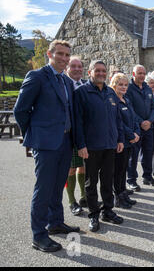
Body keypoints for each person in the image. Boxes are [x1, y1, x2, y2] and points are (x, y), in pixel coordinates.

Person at [14, 40, 79, 252]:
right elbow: (20, 110)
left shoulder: (67, 82)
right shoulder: (37, 77)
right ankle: (39, 236)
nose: (64, 58)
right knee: (43, 190)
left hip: (65, 142)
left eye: (67, 55)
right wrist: (33, 135)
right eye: (60, 54)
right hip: (46, 144)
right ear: (49, 55)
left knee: (58, 185)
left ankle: (55, 222)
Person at [74, 60, 124, 232]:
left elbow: (117, 119)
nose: (101, 73)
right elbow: (77, 122)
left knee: (107, 180)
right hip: (91, 147)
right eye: (98, 71)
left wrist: (120, 139)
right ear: (90, 72)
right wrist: (81, 145)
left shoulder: (111, 92)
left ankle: (108, 210)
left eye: (104, 71)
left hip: (110, 145)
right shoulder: (81, 92)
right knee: (91, 182)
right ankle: (94, 214)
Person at [110, 73, 140, 209]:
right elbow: (119, 123)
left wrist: (137, 133)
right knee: (118, 170)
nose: (123, 87)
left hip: (130, 140)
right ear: (114, 85)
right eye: (120, 84)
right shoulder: (113, 100)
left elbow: (133, 118)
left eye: (125, 85)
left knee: (123, 170)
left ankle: (123, 194)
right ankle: (118, 197)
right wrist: (131, 135)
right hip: (121, 141)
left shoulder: (126, 99)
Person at [125, 65, 154, 191]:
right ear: (133, 74)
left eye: (143, 73)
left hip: (148, 127)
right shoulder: (129, 89)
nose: (142, 76)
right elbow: (130, 108)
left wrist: (149, 121)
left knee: (148, 152)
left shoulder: (148, 89)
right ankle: (131, 180)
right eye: (139, 73)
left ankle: (147, 176)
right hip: (135, 128)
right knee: (133, 155)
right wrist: (141, 122)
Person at [65, 56, 87, 216]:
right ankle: (72, 201)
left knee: (83, 166)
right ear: (67, 68)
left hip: (84, 133)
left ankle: (84, 197)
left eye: (80, 66)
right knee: (71, 168)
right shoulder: (64, 85)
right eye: (74, 66)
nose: (77, 69)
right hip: (69, 134)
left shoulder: (85, 84)